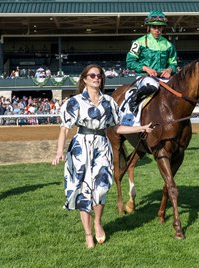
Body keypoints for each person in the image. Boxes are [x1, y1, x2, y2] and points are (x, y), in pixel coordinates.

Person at [51, 64, 153, 249]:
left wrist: (141, 128)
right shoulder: (74, 102)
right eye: (92, 75)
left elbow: (117, 127)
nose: (96, 78)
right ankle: (88, 234)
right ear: (85, 79)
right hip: (81, 147)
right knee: (83, 193)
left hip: (102, 147)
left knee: (101, 189)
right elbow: (64, 129)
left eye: (99, 75)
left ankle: (98, 222)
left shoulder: (109, 102)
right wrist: (59, 151)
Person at [125, 10, 177, 113]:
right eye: (154, 27)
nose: (157, 30)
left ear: (163, 27)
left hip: (163, 78)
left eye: (160, 27)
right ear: (149, 27)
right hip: (144, 77)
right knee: (153, 86)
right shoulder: (138, 42)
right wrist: (146, 68)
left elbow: (173, 63)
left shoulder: (169, 45)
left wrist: (169, 69)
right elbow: (130, 62)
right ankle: (134, 105)